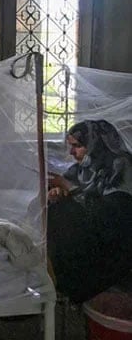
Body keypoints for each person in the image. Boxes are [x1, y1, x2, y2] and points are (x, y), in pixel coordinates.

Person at [47, 120, 132, 303]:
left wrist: (68, 188)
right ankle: (58, 277)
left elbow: (113, 214)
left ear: (94, 144)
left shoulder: (121, 165)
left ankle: (72, 283)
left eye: (77, 146)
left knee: (62, 215)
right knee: (53, 209)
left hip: (115, 240)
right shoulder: (84, 167)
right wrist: (58, 192)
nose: (71, 153)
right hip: (92, 229)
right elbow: (71, 188)